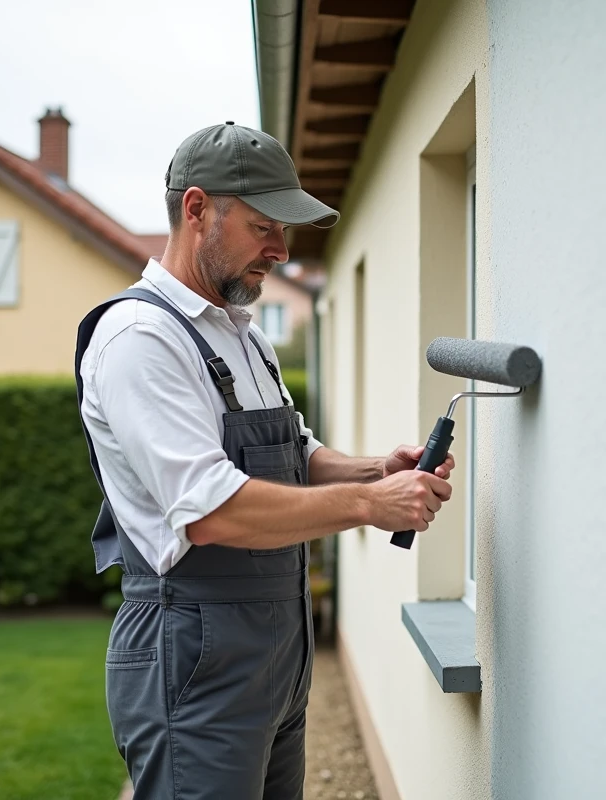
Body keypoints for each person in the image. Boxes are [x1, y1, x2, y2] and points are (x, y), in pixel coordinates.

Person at [74, 121, 455, 800]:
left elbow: (292, 452)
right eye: (264, 226)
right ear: (197, 210)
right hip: (194, 651)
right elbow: (214, 509)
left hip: (276, 644)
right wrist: (370, 507)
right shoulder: (141, 340)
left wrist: (375, 470)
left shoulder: (244, 336)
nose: (281, 250)